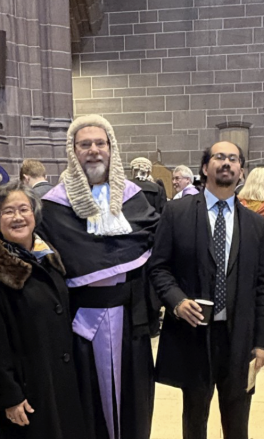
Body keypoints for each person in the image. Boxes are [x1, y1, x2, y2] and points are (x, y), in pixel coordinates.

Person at [37, 115, 159, 439]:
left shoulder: (133, 197)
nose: (93, 151)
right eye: (85, 144)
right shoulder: (53, 205)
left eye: (100, 143)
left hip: (131, 321)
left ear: (111, 148)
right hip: (81, 324)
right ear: (73, 151)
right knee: (86, 405)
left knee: (135, 403)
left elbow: (150, 243)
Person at [148, 142, 264, 439]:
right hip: (194, 336)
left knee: (238, 421)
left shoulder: (256, 224)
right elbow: (158, 268)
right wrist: (177, 302)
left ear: (241, 171)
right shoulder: (176, 213)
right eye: (219, 157)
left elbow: (263, 283)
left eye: (233, 159)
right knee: (194, 418)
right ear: (205, 168)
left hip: (238, 339)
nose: (227, 163)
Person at [0, 181, 89, 438]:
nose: (18, 217)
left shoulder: (50, 257)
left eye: (24, 209)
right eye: (8, 211)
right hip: (28, 389)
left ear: (35, 214)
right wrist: (10, 395)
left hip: (60, 380)